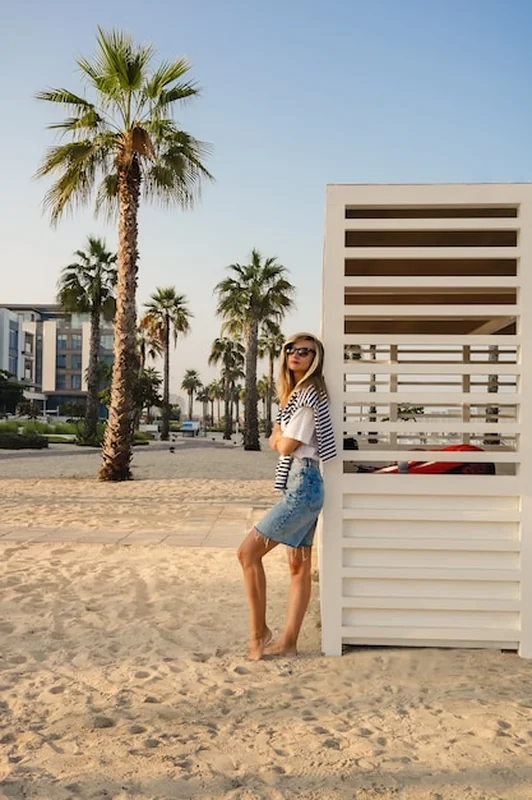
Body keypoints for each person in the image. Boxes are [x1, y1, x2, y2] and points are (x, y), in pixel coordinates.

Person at [237, 332, 337, 660]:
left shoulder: (308, 395)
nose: (297, 354)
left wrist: (279, 436)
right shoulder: (295, 395)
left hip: (303, 483)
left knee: (247, 553)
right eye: (292, 349)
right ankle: (289, 643)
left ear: (315, 360)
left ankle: (259, 632)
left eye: (306, 352)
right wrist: (279, 437)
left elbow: (285, 445)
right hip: (304, 482)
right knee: (298, 567)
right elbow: (278, 441)